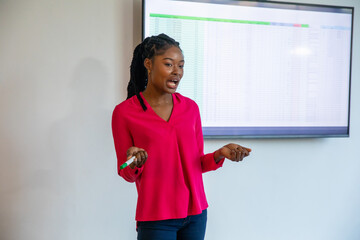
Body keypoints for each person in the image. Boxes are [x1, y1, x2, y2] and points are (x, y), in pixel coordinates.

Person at [112, 33, 251, 240]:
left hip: (196, 214)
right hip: (156, 218)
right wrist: (134, 161)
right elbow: (125, 171)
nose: (177, 72)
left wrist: (220, 154)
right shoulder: (124, 112)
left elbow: (197, 163)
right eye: (169, 64)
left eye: (181, 66)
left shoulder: (190, 108)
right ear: (148, 64)